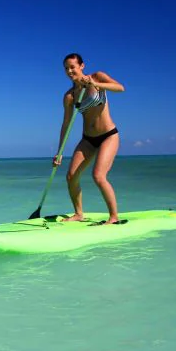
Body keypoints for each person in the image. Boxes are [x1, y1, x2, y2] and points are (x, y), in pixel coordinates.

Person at [52, 53, 125, 224]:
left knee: (98, 176)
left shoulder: (97, 77)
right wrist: (59, 152)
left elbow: (120, 88)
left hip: (108, 136)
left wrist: (95, 84)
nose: (69, 71)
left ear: (82, 66)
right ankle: (78, 214)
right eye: (66, 69)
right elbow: (66, 124)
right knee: (71, 176)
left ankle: (114, 217)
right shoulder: (70, 96)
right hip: (88, 139)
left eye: (72, 67)